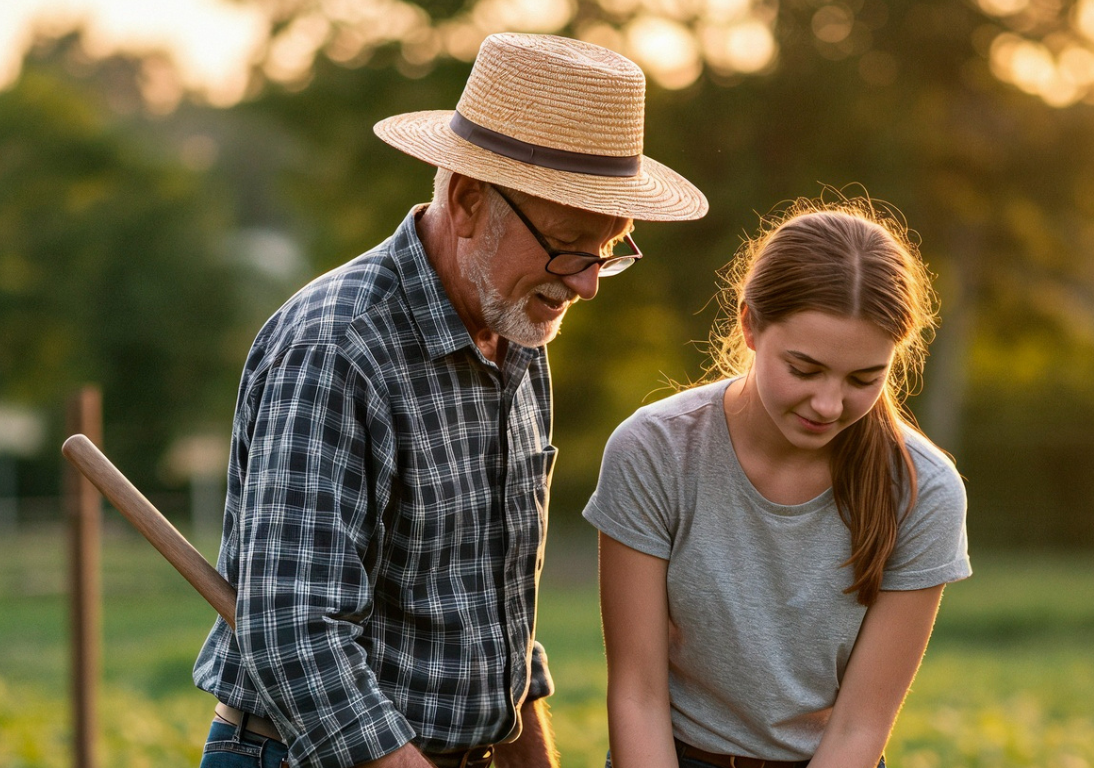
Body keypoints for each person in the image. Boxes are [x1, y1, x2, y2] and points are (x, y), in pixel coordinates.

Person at [193, 33, 708, 768]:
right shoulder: (336, 349)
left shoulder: (516, 332)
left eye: (608, 250)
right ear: (467, 201)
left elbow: (494, 614)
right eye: (568, 246)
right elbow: (294, 630)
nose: (588, 282)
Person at [584, 198, 970, 768]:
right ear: (750, 325)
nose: (829, 403)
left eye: (865, 378)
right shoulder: (656, 450)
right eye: (805, 369)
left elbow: (860, 726)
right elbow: (638, 695)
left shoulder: (923, 490)